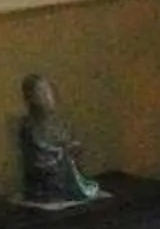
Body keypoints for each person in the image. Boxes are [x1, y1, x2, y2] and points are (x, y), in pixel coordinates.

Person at [17, 73, 100, 207]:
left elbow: (63, 140)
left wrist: (71, 146)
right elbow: (39, 153)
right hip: (42, 174)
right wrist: (61, 151)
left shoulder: (55, 121)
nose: (48, 96)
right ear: (31, 98)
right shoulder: (29, 124)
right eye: (42, 92)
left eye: (49, 91)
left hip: (57, 166)